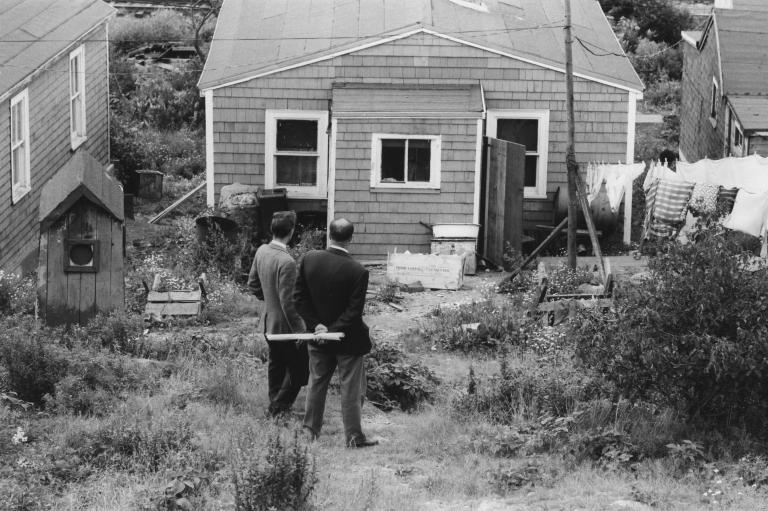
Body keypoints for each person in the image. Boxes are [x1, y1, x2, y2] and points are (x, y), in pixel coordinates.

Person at [295, 218, 378, 448]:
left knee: (317, 384)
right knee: (351, 389)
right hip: (348, 341)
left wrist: (317, 327)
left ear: (328, 235)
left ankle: (309, 433)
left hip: (318, 337)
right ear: (351, 239)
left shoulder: (309, 259)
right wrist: (331, 330)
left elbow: (299, 299)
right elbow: (353, 312)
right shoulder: (358, 271)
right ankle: (353, 437)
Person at [247, 211, 308, 417]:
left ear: (272, 230)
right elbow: (288, 303)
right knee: (299, 371)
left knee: (277, 366)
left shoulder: (262, 251)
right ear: (291, 232)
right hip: (285, 329)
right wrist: (301, 331)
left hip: (269, 322)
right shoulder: (287, 261)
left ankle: (276, 405)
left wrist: (268, 300)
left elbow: (252, 284)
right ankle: (277, 408)